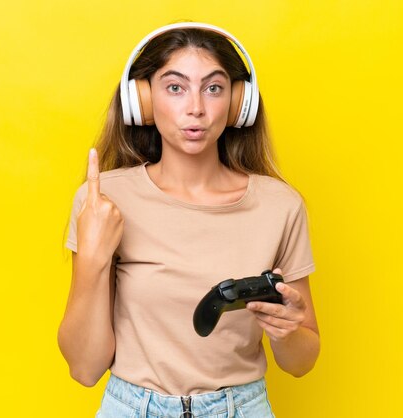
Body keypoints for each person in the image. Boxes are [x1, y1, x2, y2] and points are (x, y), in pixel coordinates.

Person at [58, 22, 320, 418]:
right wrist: (94, 257)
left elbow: (302, 361)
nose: (195, 107)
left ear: (238, 104)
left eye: (213, 88)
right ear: (142, 101)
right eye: (175, 87)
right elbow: (84, 368)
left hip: (241, 408)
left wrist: (287, 332)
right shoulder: (103, 201)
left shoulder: (280, 206)